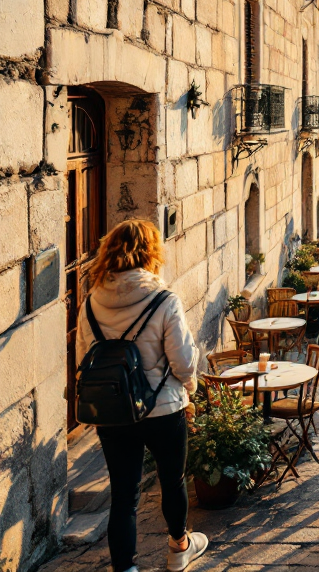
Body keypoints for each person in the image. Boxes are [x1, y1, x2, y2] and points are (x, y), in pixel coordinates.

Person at [75, 219, 205, 572]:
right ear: (151, 253)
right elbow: (183, 362)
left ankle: (126, 568)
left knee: (124, 495)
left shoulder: (90, 304)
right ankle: (179, 547)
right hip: (163, 409)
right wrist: (189, 389)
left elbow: (81, 360)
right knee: (172, 480)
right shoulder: (164, 301)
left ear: (109, 253)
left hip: (114, 413)